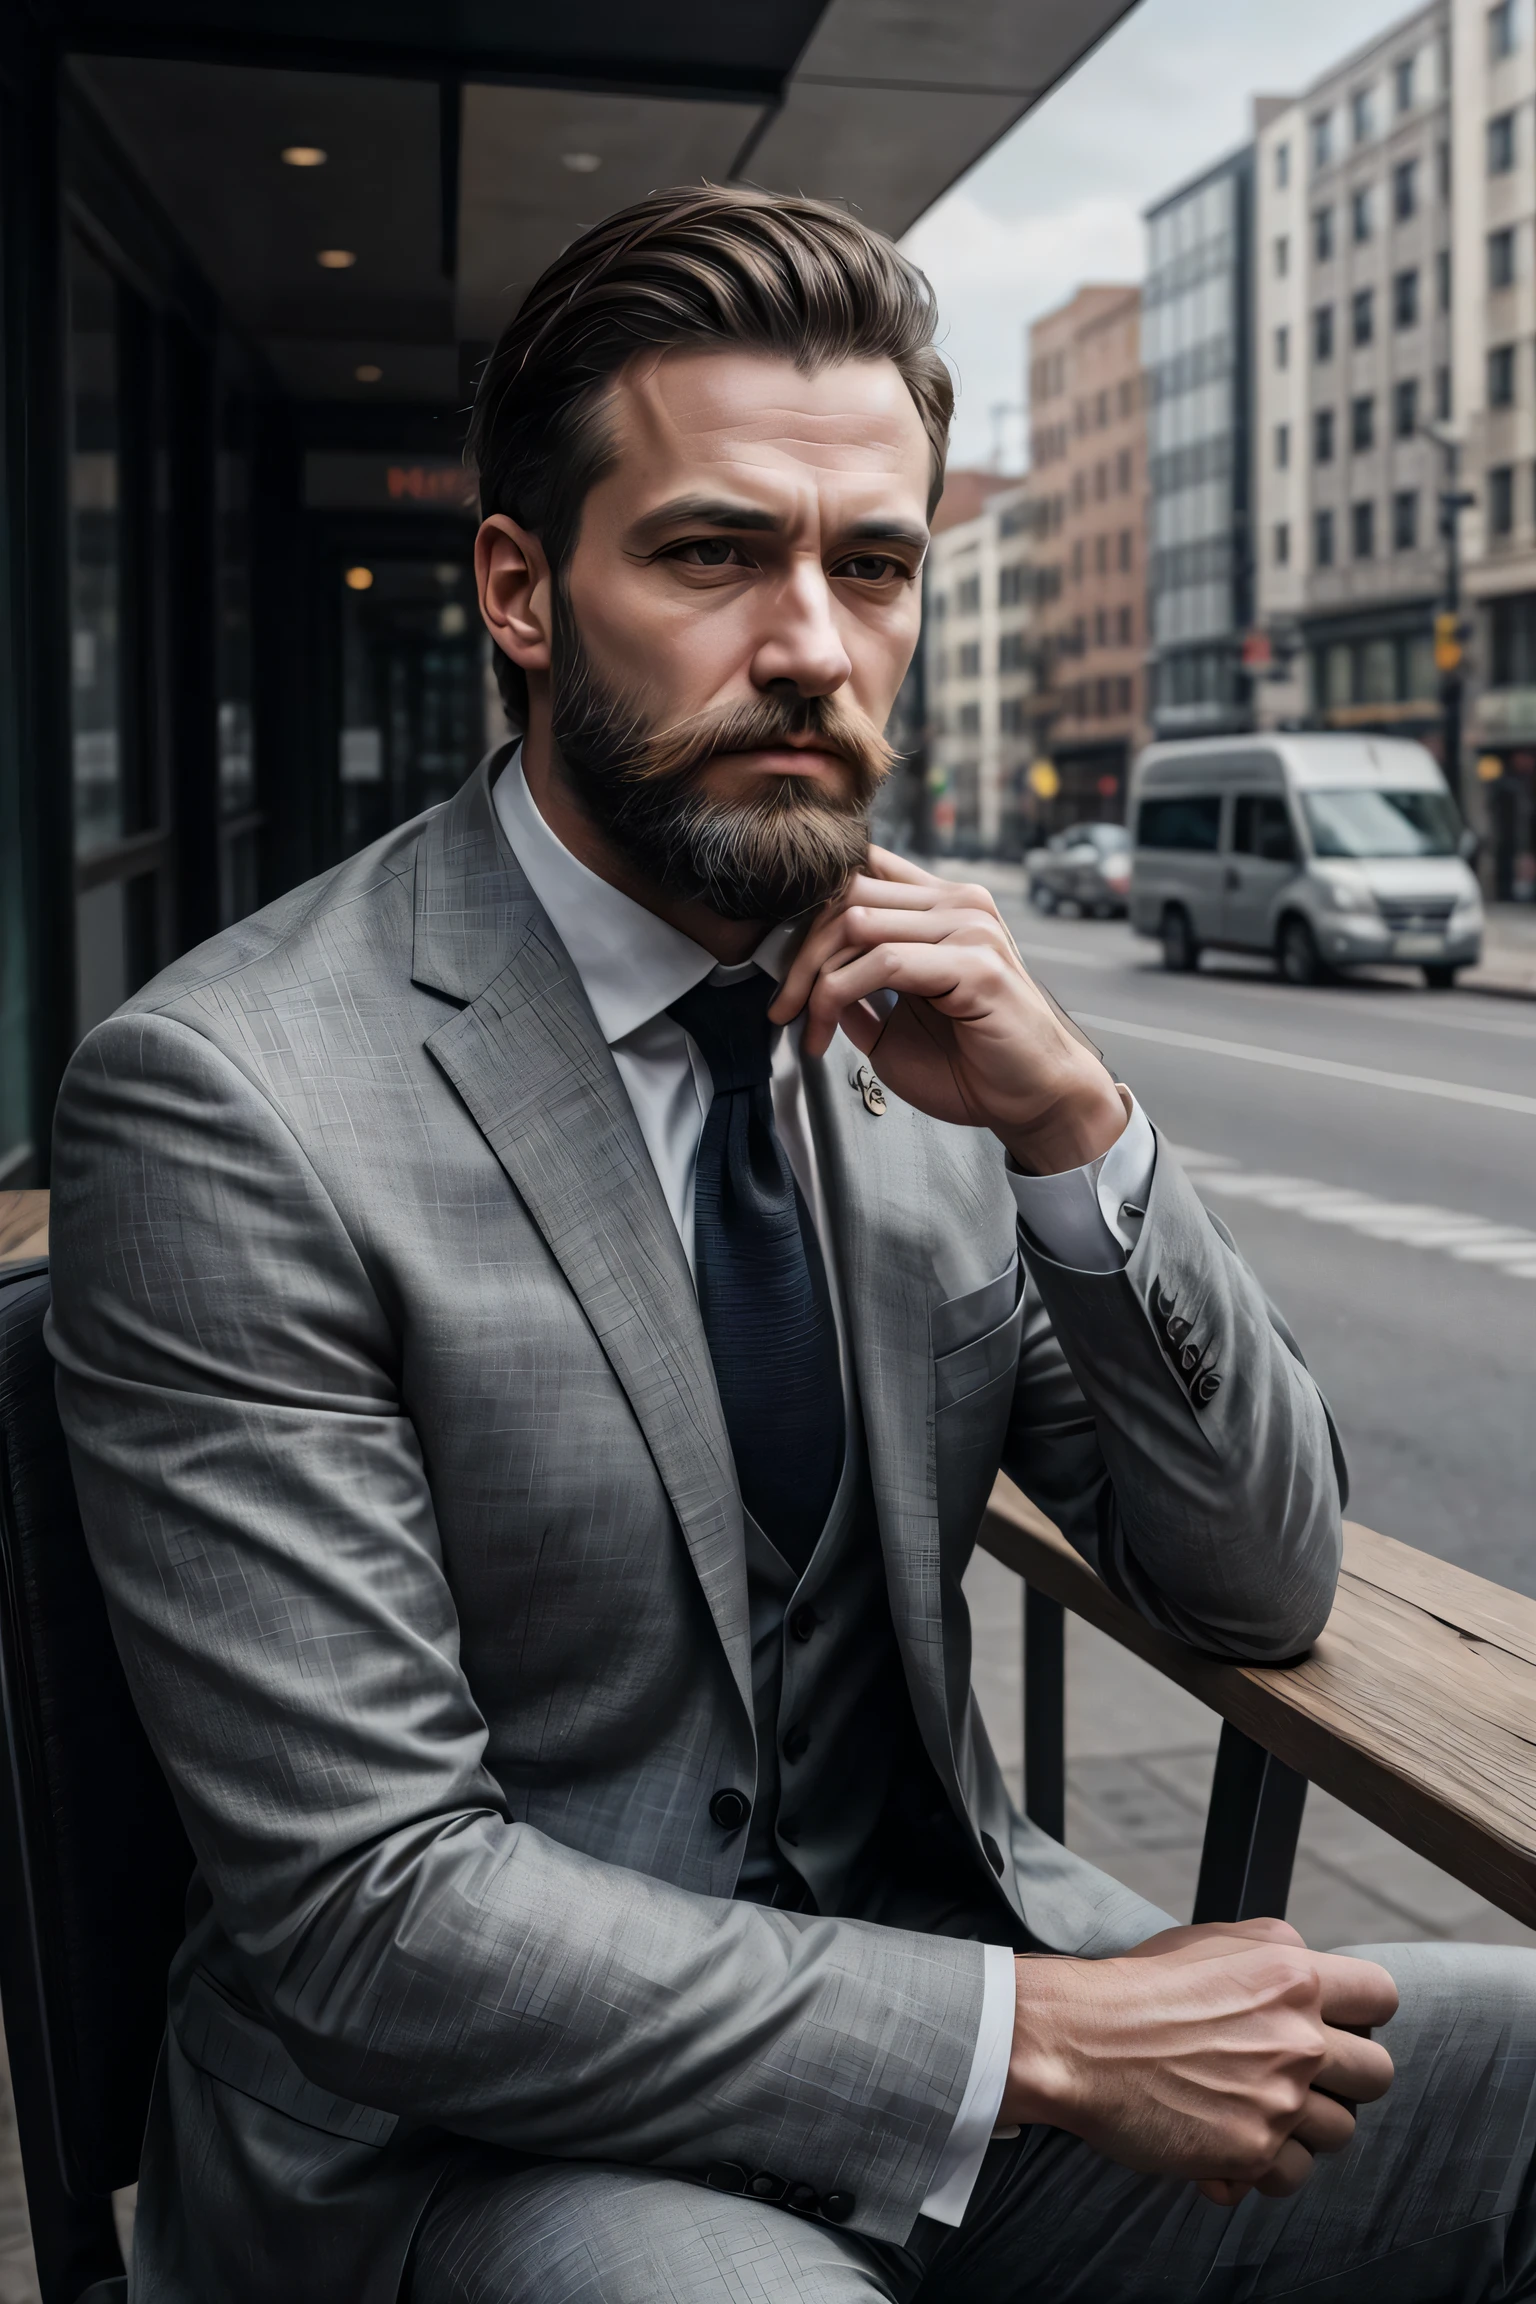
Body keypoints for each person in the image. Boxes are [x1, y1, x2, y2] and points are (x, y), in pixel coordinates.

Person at [46, 184, 1536, 2304]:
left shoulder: (918, 1032)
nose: (812, 647)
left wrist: (1072, 1127)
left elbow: (1256, 1577)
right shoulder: (234, 1098)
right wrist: (1039, 2042)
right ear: (523, 588)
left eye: (874, 566)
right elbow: (375, 1913)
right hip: (475, 2151)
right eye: (713, 552)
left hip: (955, 2034)